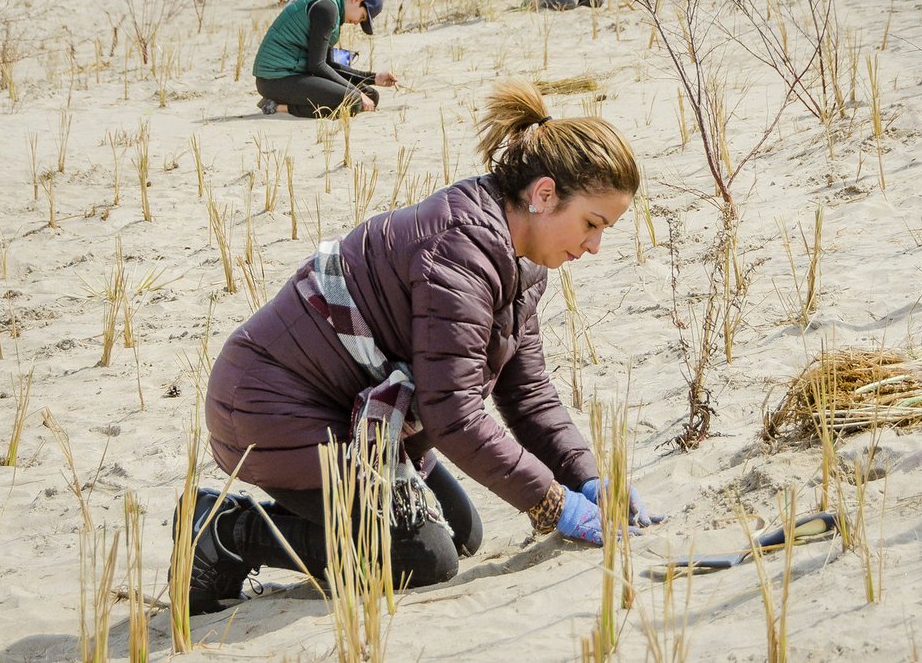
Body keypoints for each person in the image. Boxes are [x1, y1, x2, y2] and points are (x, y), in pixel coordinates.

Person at [184, 79, 655, 614]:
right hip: (270, 409)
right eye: (592, 224)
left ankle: (289, 521)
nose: (595, 246)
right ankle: (226, 529)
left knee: (462, 533)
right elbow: (451, 413)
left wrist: (587, 479)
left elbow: (527, 394)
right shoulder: (459, 250)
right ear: (544, 194)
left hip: (348, 414)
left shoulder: (522, 262)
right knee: (422, 556)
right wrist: (552, 504)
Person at [250, 0, 394, 119]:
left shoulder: (333, 5)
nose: (357, 23)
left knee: (371, 96)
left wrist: (373, 78)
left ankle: (287, 103)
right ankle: (279, 107)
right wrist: (356, 92)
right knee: (354, 101)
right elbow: (317, 66)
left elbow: (328, 64)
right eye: (362, 17)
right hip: (274, 80)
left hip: (296, 73)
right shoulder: (326, 9)